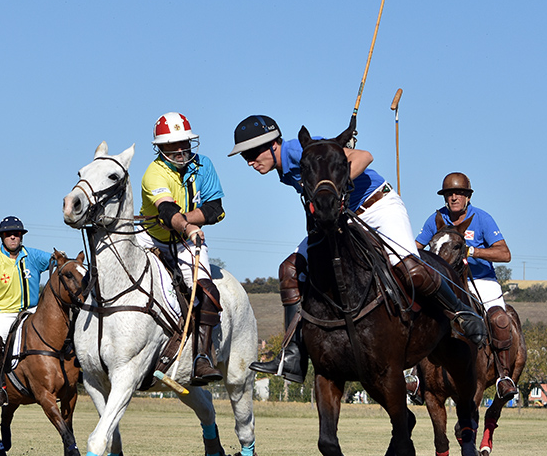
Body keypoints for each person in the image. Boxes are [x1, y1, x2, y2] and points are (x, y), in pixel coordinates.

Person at [228, 115, 486, 383]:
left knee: (410, 269)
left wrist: (336, 183)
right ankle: (292, 354)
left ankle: (462, 313)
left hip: (378, 205)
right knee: (290, 270)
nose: (249, 161)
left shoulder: (298, 150)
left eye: (252, 153)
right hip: (345, 217)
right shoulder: (284, 170)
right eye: (245, 156)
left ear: (273, 145)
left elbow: (364, 156)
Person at [138, 112, 226, 386]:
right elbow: (166, 210)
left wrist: (185, 224)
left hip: (185, 239)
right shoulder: (153, 173)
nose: (180, 149)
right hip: (150, 238)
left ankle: (202, 358)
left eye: (184, 142)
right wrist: (186, 224)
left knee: (208, 292)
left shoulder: (204, 165)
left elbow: (215, 209)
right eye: (171, 145)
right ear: (160, 147)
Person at [415, 172, 517, 399]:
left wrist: (472, 251)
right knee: (419, 314)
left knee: (499, 320)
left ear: (468, 197)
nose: (454, 198)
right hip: (445, 282)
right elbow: (416, 248)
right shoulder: (435, 219)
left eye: (459, 193)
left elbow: (505, 254)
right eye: (450, 194)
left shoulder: (482, 218)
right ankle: (416, 376)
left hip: (481, 279)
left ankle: (503, 376)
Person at [0, 216, 53, 406]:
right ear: (2, 237)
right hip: (3, 313)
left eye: (17, 233)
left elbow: (56, 261)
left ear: (21, 236)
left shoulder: (33, 255)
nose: (13, 237)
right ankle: (0, 388)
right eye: (8, 234)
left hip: (32, 311)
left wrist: (61, 258)